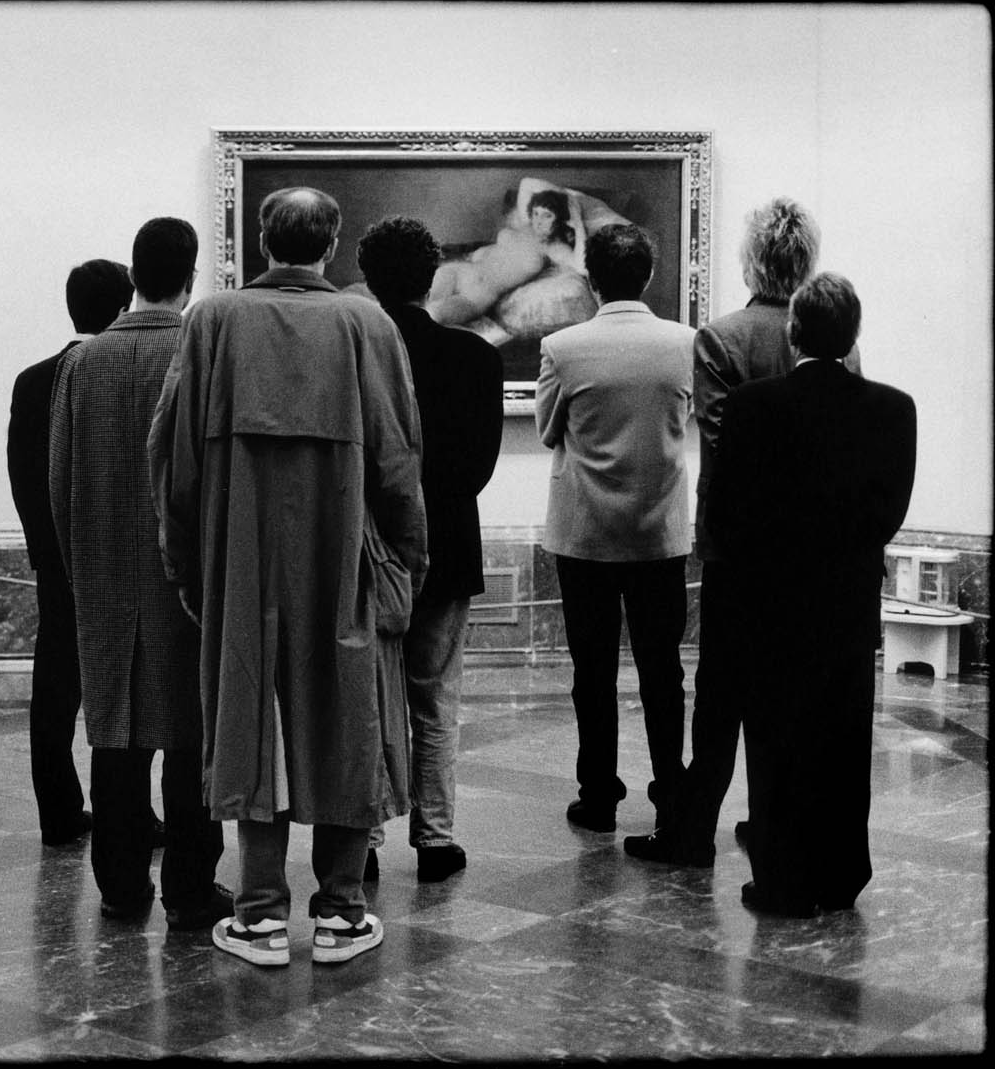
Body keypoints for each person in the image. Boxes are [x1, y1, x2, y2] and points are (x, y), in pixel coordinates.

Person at [149, 187, 426, 966]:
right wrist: (408, 561)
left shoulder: (212, 322)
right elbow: (400, 462)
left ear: (263, 241)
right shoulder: (366, 324)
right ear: (330, 245)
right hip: (342, 557)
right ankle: (341, 911)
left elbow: (173, 461)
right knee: (348, 712)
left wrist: (185, 564)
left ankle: (262, 914)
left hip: (240, 560)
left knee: (251, 716)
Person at [625, 198, 857, 867]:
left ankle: (693, 832)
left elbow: (724, 446)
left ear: (751, 258)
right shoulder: (838, 338)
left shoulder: (721, 337)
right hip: (810, 548)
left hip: (739, 543)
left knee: (721, 694)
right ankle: (769, 820)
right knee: (790, 691)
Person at [706, 273, 915, 916]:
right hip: (849, 599)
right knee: (844, 737)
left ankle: (781, 877)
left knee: (774, 739)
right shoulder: (893, 408)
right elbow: (890, 513)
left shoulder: (750, 407)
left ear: (793, 330)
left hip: (771, 599)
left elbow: (730, 512)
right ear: (853, 335)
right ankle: (840, 871)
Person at [49, 218, 228, 929]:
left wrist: (81, 570)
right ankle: (189, 886)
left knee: (115, 739)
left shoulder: (82, 362)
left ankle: (121, 886)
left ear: (133, 271)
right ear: (190, 274)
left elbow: (59, 484)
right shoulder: (202, 351)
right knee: (191, 741)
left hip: (104, 578)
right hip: (187, 582)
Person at [355, 216, 503, 883]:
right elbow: (477, 471)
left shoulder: (354, 353)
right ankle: (436, 838)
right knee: (436, 698)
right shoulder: (475, 356)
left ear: (368, 279)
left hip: (369, 549)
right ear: (432, 274)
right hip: (445, 543)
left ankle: (364, 840)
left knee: (368, 697)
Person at [536, 224, 694, 834]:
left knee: (592, 671)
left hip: (586, 535)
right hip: (658, 534)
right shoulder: (685, 342)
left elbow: (550, 428)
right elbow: (684, 421)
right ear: (647, 276)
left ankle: (598, 793)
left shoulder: (563, 346)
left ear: (593, 278)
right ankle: (671, 794)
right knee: (664, 672)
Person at [7, 259, 133, 846]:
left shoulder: (33, 379)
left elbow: (22, 477)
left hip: (57, 560)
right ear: (123, 307)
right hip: (121, 559)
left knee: (54, 691)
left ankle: (57, 812)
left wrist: (44, 550)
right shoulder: (124, 371)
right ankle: (131, 813)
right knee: (129, 686)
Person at [427, 177, 592, 328]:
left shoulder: (554, 248)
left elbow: (582, 267)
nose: (538, 221)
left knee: (432, 314)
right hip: (461, 271)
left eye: (547, 216)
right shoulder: (524, 224)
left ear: (560, 220)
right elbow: (527, 183)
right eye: (536, 213)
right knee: (412, 309)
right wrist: (565, 195)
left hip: (478, 293)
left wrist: (577, 220)